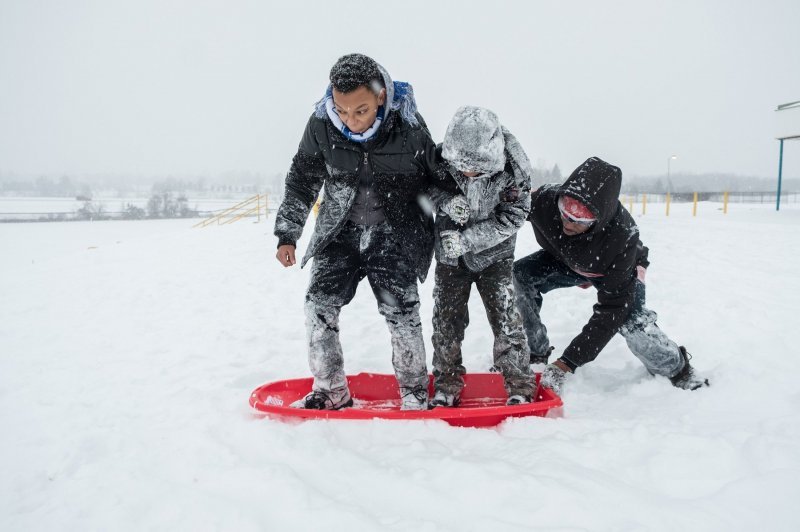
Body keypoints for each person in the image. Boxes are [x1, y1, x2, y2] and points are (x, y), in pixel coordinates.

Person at [273, 53, 436, 410]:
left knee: (402, 313)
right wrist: (288, 232)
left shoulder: (407, 126)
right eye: (342, 110)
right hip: (339, 232)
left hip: (392, 233)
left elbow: (434, 180)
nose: (350, 120)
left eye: (360, 111)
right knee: (319, 308)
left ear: (380, 96)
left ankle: (413, 391)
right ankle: (331, 390)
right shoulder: (320, 124)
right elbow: (302, 179)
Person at [513, 156, 709, 394]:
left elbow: (612, 310)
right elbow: (507, 204)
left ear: (598, 218)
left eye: (579, 220)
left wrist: (568, 362)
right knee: (521, 275)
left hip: (613, 270)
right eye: (565, 213)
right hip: (568, 261)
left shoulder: (622, 237)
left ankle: (677, 368)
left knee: (631, 322)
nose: (568, 223)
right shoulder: (544, 201)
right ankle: (536, 351)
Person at [428, 106, 535, 407]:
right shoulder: (439, 161)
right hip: (450, 258)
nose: (467, 173)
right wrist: (447, 201)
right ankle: (447, 382)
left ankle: (519, 383)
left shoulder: (515, 173)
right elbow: (426, 189)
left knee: (506, 319)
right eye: (461, 167)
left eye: (475, 168)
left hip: (495, 257)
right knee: (446, 320)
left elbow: (513, 218)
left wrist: (468, 240)